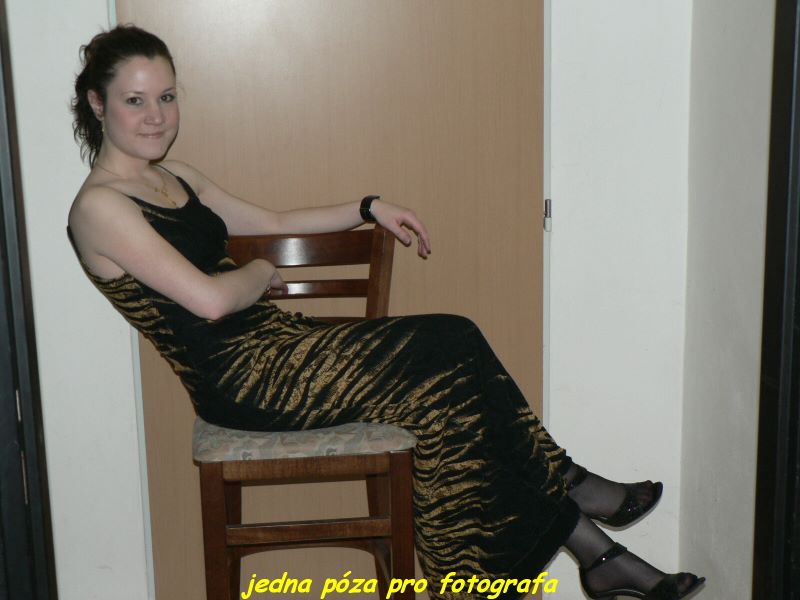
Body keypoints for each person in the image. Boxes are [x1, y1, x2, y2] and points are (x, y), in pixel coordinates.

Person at [67, 24, 704, 600]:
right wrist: (261, 274)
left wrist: (368, 207)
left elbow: (275, 220)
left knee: (453, 397)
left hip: (283, 348)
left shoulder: (175, 175)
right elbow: (208, 301)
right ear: (98, 104)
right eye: (135, 100)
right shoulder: (101, 208)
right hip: (245, 381)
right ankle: (568, 500)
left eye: (166, 97)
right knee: (451, 343)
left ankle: (593, 548)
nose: (157, 116)